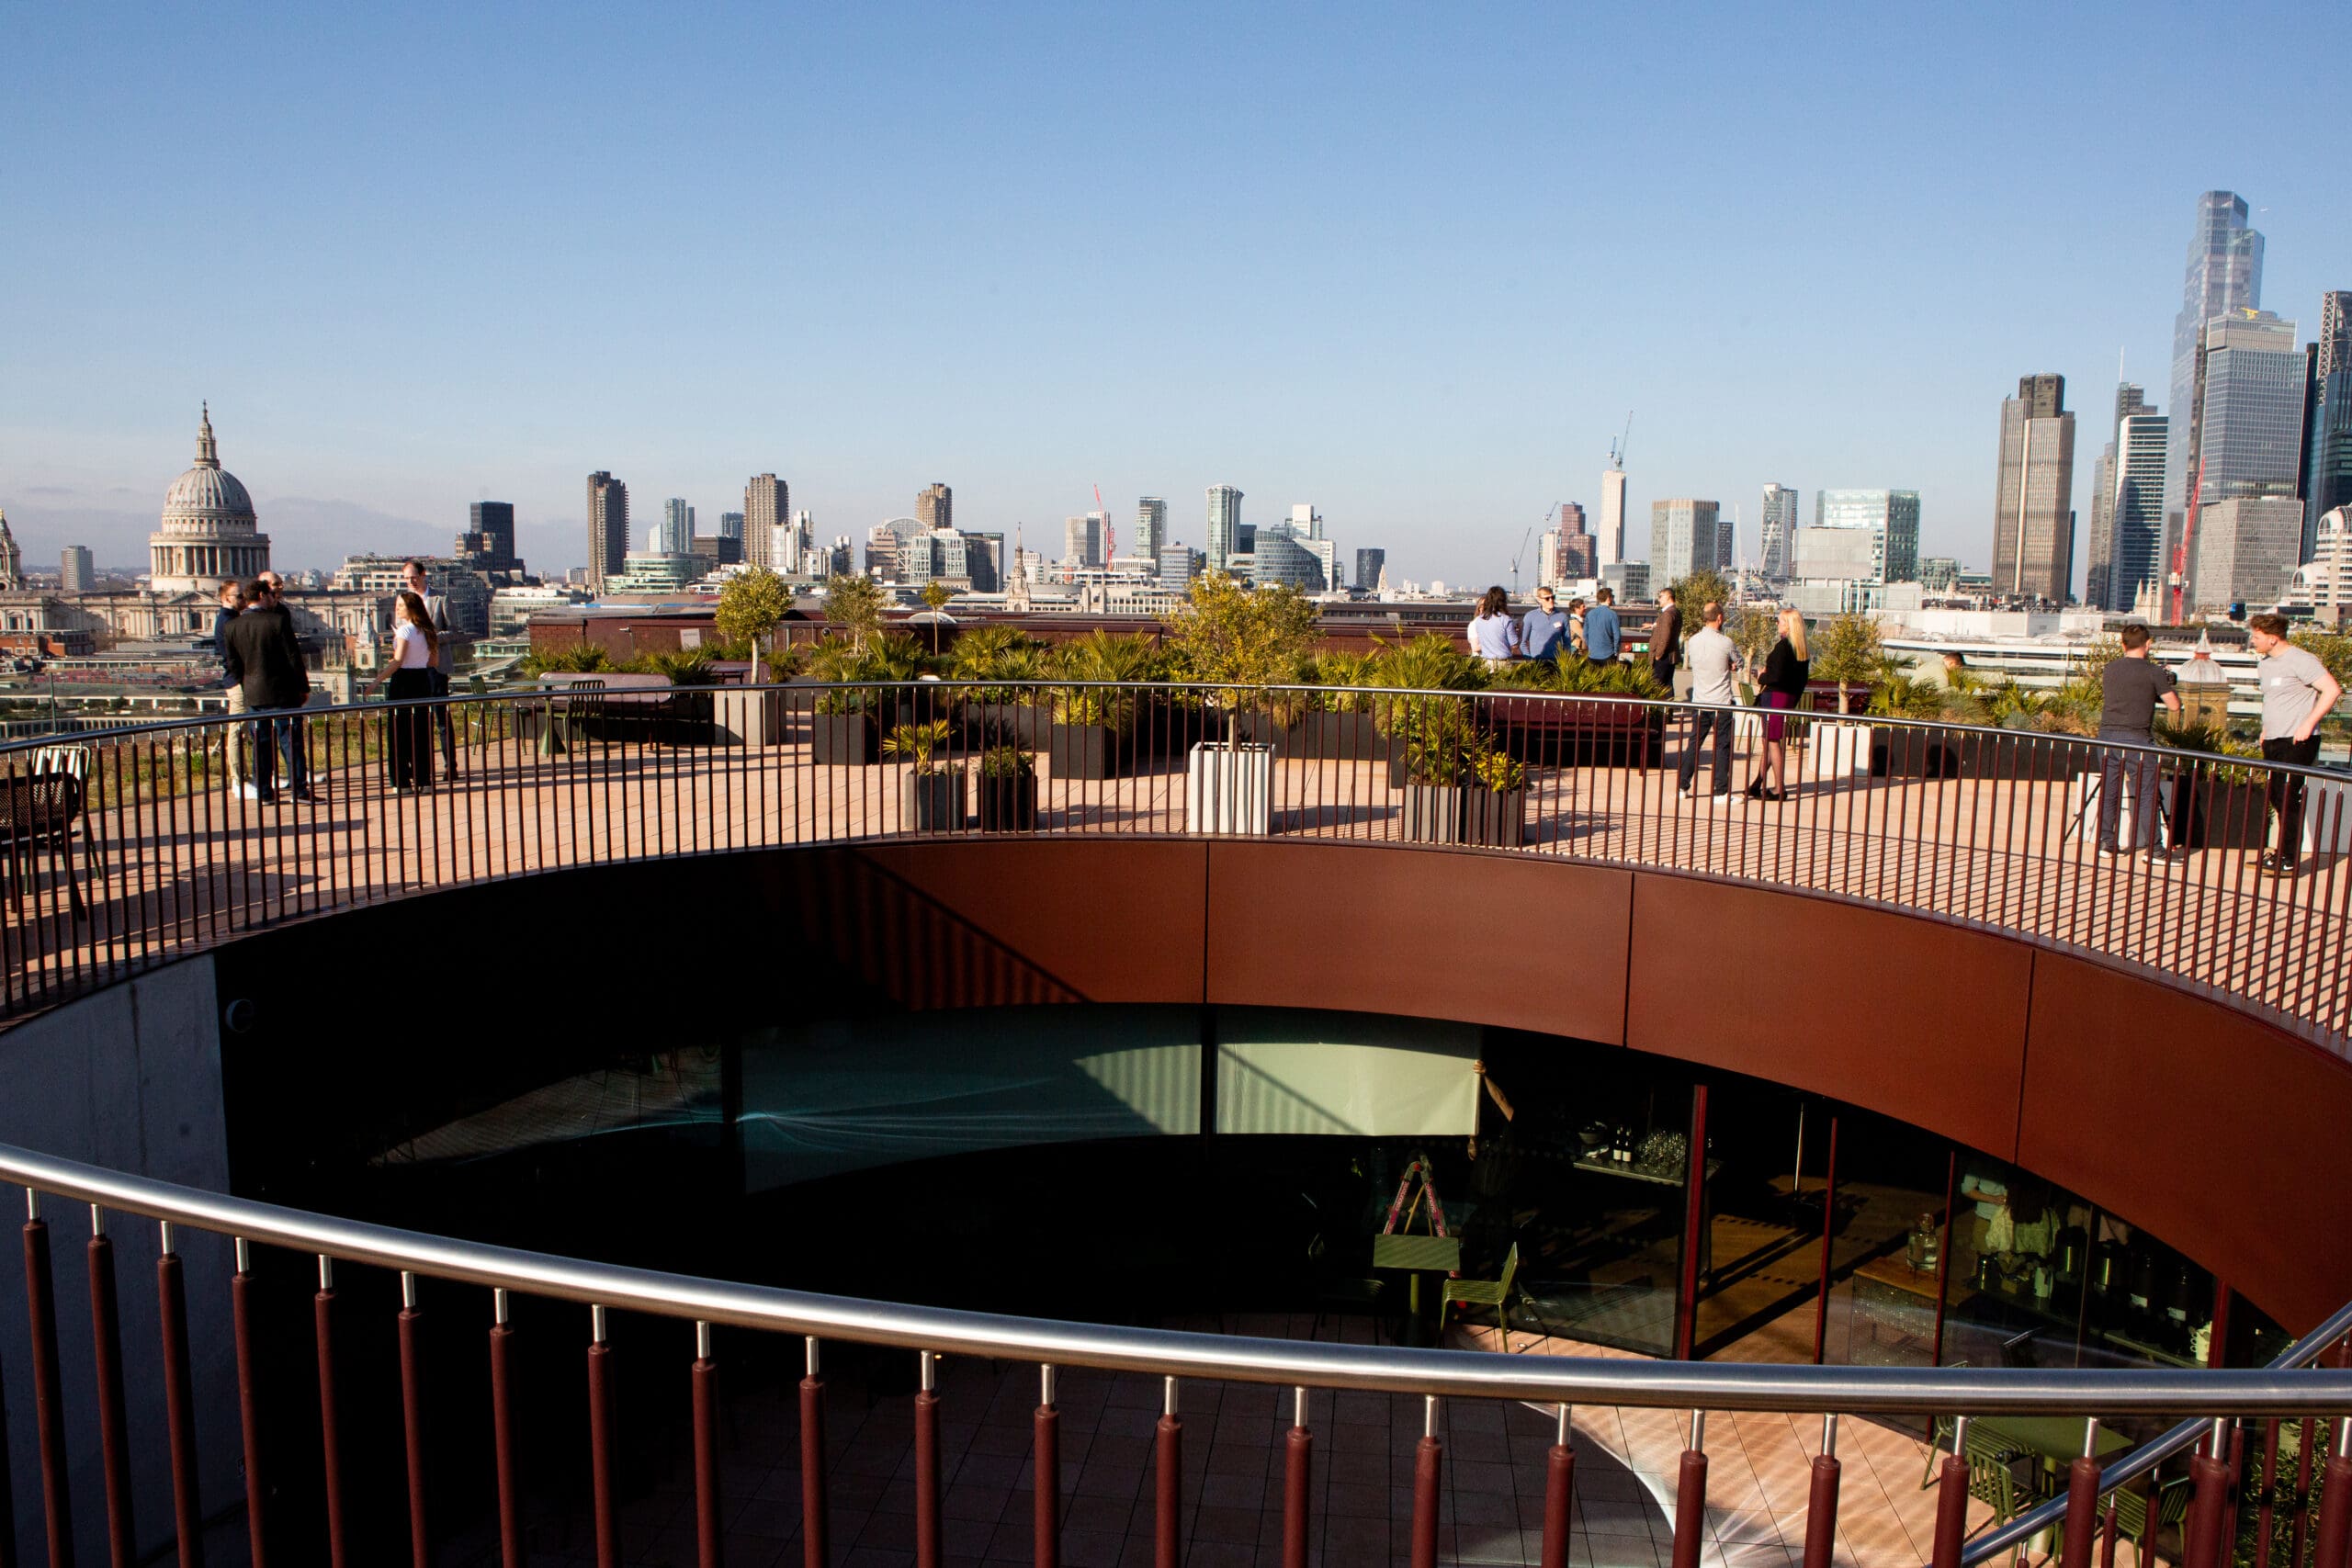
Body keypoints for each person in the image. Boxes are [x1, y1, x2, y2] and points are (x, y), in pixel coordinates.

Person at [2247, 614, 2343, 877]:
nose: (2252, 640)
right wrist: (2266, 730)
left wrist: (2308, 724)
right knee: (2277, 796)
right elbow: (2274, 701)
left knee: (2288, 796)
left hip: (2299, 740)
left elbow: (2332, 690)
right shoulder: (2265, 665)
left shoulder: (2301, 660)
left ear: (2273, 638)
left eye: (2256, 636)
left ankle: (2288, 859)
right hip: (2274, 739)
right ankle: (2281, 853)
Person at [220, 577, 312, 804]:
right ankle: (299, 790)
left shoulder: (231, 626)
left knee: (260, 744)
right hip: (283, 692)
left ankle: (264, 792)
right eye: (272, 596)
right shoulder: (278, 621)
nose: (274, 599)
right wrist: (303, 688)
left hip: (253, 692)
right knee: (290, 742)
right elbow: (294, 659)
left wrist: (247, 682)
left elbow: (232, 663)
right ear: (262, 596)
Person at [2095, 624, 2181, 857]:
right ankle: (2154, 849)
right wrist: (2163, 685)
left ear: (2123, 644)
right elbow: (2174, 705)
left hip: (2107, 737)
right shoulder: (2152, 672)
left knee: (2110, 790)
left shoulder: (2110, 669)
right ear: (2148, 644)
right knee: (2146, 793)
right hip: (2137, 738)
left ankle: (2106, 842)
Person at [370, 592, 439, 791]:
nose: (397, 609)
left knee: (399, 733)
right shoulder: (427, 631)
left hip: (403, 681)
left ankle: (401, 781)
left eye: (401, 605)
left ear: (411, 608)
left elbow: (398, 661)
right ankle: (424, 779)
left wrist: (376, 681)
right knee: (421, 731)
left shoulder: (404, 631)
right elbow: (434, 661)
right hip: (422, 679)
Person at [1678, 602, 1740, 803]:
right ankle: (1720, 791)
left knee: (1694, 744)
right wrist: (1730, 664)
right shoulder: (1726, 642)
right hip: (1721, 701)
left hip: (1700, 700)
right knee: (1722, 746)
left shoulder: (1693, 641)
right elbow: (1739, 662)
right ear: (1719, 618)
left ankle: (1682, 786)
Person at [401, 558, 459, 776]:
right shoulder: (405, 601)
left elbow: (454, 631)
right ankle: (421, 767)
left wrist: (430, 637)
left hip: (436, 667)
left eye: (414, 577)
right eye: (407, 579)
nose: (411, 582)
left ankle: (450, 765)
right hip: (413, 668)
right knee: (418, 719)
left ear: (423, 574)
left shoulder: (440, 599)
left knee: (441, 718)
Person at [1745, 607, 1808, 801]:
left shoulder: (1783, 647)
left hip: (1775, 697)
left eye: (1780, 620)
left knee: (1772, 741)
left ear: (1788, 625)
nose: (1777, 623)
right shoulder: (1800, 649)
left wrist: (1762, 676)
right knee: (1769, 740)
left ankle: (1780, 788)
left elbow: (1775, 676)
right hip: (1786, 698)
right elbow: (1800, 680)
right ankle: (1757, 783)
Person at [210, 581, 251, 797]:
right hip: (238, 681)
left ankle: (244, 776)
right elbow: (232, 657)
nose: (243, 600)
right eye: (238, 596)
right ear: (226, 598)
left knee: (242, 731)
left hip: (239, 679)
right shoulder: (227, 621)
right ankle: (239, 779)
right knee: (237, 730)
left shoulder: (231, 619)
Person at [1466, 585, 1519, 666]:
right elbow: (1514, 645)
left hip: (1486, 662)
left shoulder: (1479, 620)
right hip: (1503, 662)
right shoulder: (1505, 619)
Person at [1520, 587, 1570, 664]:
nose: (1551, 600)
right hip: (1536, 661)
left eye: (1553, 597)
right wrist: (1529, 659)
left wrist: (1565, 660)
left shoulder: (1562, 616)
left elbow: (1567, 642)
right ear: (1539, 600)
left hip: (1556, 661)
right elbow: (1523, 642)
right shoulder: (1530, 616)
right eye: (1547, 598)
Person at [1648, 587, 1683, 694]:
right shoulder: (1675, 612)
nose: (1659, 599)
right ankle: (1668, 710)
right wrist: (1655, 625)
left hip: (1664, 656)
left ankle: (1659, 710)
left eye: (1661, 596)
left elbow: (1665, 636)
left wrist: (1658, 654)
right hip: (1670, 655)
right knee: (1668, 684)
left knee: (1657, 684)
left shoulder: (1668, 614)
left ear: (1668, 597)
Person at [1583, 587, 1622, 665]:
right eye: (1612, 596)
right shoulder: (1612, 614)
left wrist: (1590, 647)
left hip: (1592, 654)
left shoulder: (1590, 614)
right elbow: (1617, 635)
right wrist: (1615, 651)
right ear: (1608, 598)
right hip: (1608, 653)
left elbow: (1585, 634)